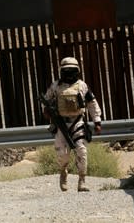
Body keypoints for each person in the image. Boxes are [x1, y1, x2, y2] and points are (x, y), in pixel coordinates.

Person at [42, 57, 102, 192]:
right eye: (66, 70)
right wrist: (47, 111)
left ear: (77, 71)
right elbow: (46, 101)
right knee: (62, 154)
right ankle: (63, 173)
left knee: (81, 151)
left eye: (71, 70)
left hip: (78, 122)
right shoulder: (55, 86)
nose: (69, 73)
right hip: (61, 123)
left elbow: (92, 103)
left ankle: (82, 180)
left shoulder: (82, 85)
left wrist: (97, 121)